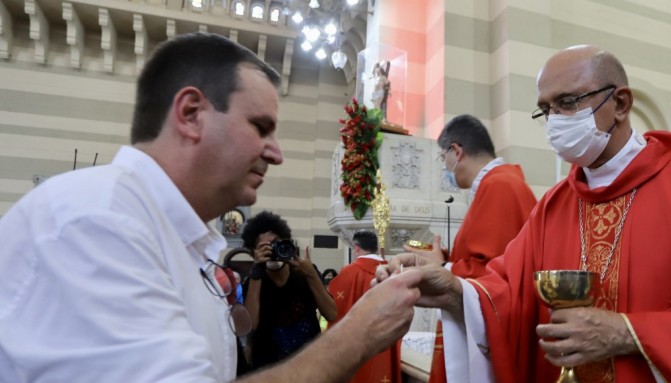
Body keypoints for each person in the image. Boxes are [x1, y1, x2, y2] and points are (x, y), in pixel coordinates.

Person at [0, 32, 422, 383]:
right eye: (260, 127)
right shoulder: (95, 220)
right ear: (190, 113)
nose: (275, 153)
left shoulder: (175, 235)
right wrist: (360, 333)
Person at [377, 45, 671, 382]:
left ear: (620, 103)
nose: (554, 121)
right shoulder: (554, 206)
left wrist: (625, 333)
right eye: (546, 109)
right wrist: (453, 289)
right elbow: (507, 292)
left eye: (567, 102)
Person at [426, 114, 537, 382]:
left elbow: (493, 274)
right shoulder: (498, 184)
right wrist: (444, 260)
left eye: (444, 159)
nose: (446, 167)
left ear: (456, 151)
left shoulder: (499, 187)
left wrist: (441, 268)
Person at [241, 211, 337, 370]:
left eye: (276, 243)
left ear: (287, 243)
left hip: (309, 367)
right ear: (254, 251)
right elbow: (251, 327)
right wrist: (256, 273)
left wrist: (311, 275)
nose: (272, 250)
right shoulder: (253, 282)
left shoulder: (307, 273)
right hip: (269, 371)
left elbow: (332, 314)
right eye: (264, 247)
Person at [327, 231, 401, 383]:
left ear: (356, 247)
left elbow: (334, 309)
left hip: (354, 346)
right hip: (383, 344)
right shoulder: (392, 272)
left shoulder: (348, 273)